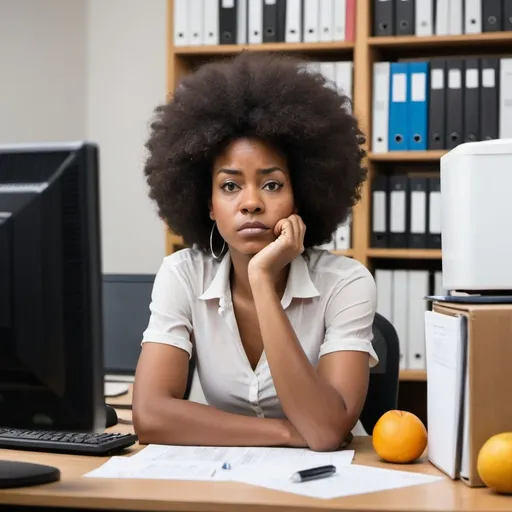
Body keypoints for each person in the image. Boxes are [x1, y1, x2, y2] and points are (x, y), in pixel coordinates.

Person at [133, 51, 378, 452]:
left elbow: (325, 430)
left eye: (272, 184)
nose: (251, 203)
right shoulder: (182, 275)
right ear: (208, 203)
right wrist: (284, 433)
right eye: (230, 186)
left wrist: (262, 280)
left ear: (302, 195)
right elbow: (150, 415)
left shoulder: (346, 284)